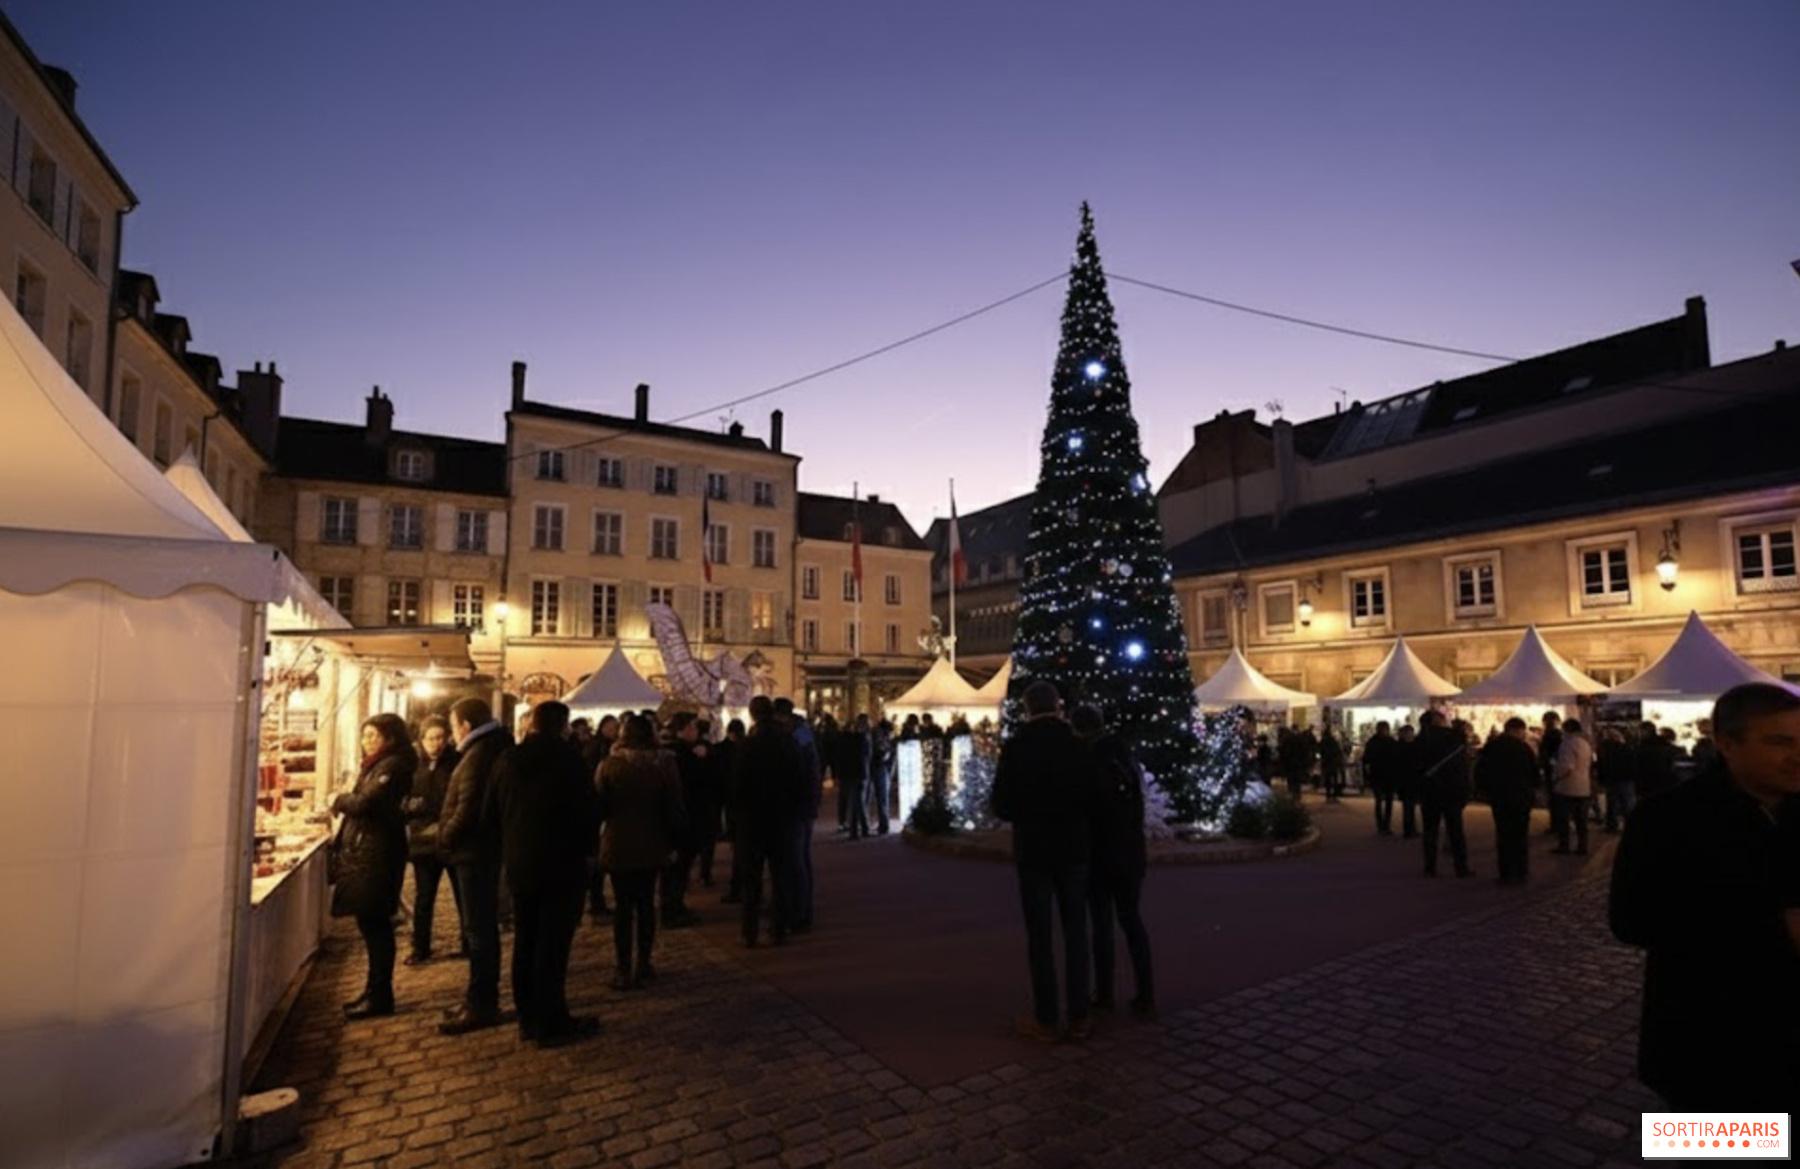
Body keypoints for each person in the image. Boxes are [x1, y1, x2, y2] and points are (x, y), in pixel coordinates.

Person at [1610, 682, 1800, 1110]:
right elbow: (1629, 921)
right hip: (1704, 1048)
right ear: (1727, 743)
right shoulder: (1663, 818)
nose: (1797, 755)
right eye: (1779, 742)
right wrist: (1772, 922)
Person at [990, 681, 1099, 1043]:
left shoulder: (1017, 748)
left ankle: (1047, 1016)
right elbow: (1093, 797)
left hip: (1034, 848)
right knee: (1076, 931)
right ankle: (1080, 1014)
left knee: (1039, 934)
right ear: (1058, 705)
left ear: (1027, 708)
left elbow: (1001, 804)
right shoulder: (1077, 746)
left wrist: (1028, 810)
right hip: (1073, 848)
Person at [496, 701, 599, 1045]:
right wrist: (589, 852)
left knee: (525, 940)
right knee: (552, 946)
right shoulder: (568, 760)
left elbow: (494, 807)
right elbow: (586, 811)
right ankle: (551, 1020)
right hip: (561, 862)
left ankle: (527, 1017)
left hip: (521, 861)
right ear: (563, 725)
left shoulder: (510, 759)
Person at [1071, 704, 1154, 1018]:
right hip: (1131, 853)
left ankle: (1104, 993)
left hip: (1099, 855)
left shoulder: (1087, 759)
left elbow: (1085, 810)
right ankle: (1145, 993)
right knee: (1132, 921)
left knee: (1101, 925)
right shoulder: (1125, 756)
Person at [331, 713, 416, 1019]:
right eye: (364, 735)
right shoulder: (376, 765)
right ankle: (373, 990)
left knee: (377, 927)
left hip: (377, 854)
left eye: (374, 736)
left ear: (390, 738)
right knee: (371, 927)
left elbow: (365, 804)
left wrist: (338, 798)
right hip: (367, 852)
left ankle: (380, 995)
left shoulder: (392, 766)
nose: (367, 742)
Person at [438, 697, 513, 1035]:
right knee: (479, 930)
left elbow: (468, 808)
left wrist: (446, 837)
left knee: (479, 930)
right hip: (481, 850)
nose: (452, 735)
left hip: (475, 852)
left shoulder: (478, 754)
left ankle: (482, 1002)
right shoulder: (488, 748)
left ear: (465, 725)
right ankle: (478, 997)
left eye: (453, 727)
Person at [596, 713, 685, 987]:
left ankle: (623, 967)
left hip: (618, 843)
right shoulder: (664, 764)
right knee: (646, 903)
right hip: (653, 842)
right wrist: (675, 842)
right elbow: (674, 806)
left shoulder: (609, 766)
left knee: (624, 908)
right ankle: (644, 962)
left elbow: (598, 806)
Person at [732, 696, 805, 946]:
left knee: (751, 879)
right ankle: (778, 928)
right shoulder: (788, 743)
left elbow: (737, 787)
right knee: (780, 875)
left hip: (752, 820)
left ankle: (748, 931)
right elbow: (799, 781)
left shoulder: (747, 745)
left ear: (752, 715)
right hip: (782, 818)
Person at [403, 715, 462, 965]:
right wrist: (409, 806)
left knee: (462, 894)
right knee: (424, 896)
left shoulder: (456, 763)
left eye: (440, 738)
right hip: (423, 840)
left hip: (450, 838)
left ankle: (467, 943)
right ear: (421, 739)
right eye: (430, 738)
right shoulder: (412, 765)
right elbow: (403, 798)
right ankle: (421, 946)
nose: (435, 743)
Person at [775, 697, 822, 933]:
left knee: (797, 860)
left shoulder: (799, 736)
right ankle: (800, 909)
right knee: (798, 859)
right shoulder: (802, 733)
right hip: (803, 805)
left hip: (799, 806)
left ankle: (801, 912)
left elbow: (805, 772)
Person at [1476, 717, 1538, 886]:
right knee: (1520, 835)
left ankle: (1506, 872)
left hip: (1500, 797)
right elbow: (1534, 773)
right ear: (1517, 730)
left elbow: (1481, 770)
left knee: (1504, 834)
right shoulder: (1524, 748)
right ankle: (1521, 870)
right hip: (1521, 796)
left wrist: (1486, 791)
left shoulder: (1492, 747)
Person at [661, 712, 707, 928]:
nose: (695, 731)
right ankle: (672, 908)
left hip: (680, 817)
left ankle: (674, 905)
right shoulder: (682, 755)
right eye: (692, 727)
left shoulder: (674, 752)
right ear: (682, 730)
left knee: (678, 868)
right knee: (678, 868)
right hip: (684, 818)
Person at [1417, 711, 1474, 878]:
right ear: (1437, 720)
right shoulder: (1451, 737)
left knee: (1430, 831)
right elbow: (1462, 758)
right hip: (1451, 790)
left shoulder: (1420, 740)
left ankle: (1430, 867)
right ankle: (1460, 867)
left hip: (1429, 790)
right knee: (1455, 830)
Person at [581, 714, 621, 921]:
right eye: (613, 727)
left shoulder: (606, 747)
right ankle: (596, 902)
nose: (616, 731)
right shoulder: (597, 749)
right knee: (597, 860)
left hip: (601, 810)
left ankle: (597, 901)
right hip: (597, 811)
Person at [1551, 718, 1593, 856]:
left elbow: (1567, 766)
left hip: (1568, 786)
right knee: (1581, 820)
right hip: (1583, 786)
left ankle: (1564, 845)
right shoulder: (1585, 744)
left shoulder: (1567, 744)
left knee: (1564, 819)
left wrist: (1556, 776)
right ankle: (1583, 846)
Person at [836, 714, 872, 840]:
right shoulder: (862, 739)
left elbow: (839, 757)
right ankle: (863, 828)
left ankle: (856, 830)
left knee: (854, 802)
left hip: (848, 774)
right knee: (860, 802)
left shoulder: (843, 740)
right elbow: (868, 755)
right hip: (860, 773)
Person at [1598, 725, 1638, 833]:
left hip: (1612, 779)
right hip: (1625, 778)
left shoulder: (1605, 749)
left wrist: (1602, 778)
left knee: (1612, 804)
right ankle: (1631, 826)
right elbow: (1632, 763)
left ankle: (1612, 825)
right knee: (1627, 804)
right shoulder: (1627, 748)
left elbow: (1602, 765)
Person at [1361, 722, 1399, 835]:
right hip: (1382, 775)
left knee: (1385, 801)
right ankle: (1383, 825)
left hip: (1383, 775)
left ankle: (1384, 825)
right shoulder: (1389, 742)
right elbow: (1366, 760)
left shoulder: (1374, 742)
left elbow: (1366, 759)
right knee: (1383, 801)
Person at [1394, 724, 1423, 839]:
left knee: (1409, 806)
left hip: (1410, 779)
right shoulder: (1404, 747)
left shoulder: (1401, 746)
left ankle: (1411, 828)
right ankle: (1409, 830)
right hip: (1407, 780)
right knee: (1408, 806)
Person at [867, 719, 894, 835]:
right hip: (880, 769)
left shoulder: (872, 736)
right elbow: (883, 754)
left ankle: (866, 824)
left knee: (868, 798)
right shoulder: (881, 739)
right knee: (882, 799)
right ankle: (883, 825)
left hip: (871, 769)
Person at [1318, 729, 1345, 803]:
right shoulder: (1333, 741)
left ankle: (1328, 795)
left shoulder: (1323, 741)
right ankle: (1334, 795)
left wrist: (1322, 758)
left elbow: (1319, 750)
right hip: (1334, 762)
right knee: (1334, 778)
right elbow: (1338, 751)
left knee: (1328, 779)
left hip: (1326, 762)